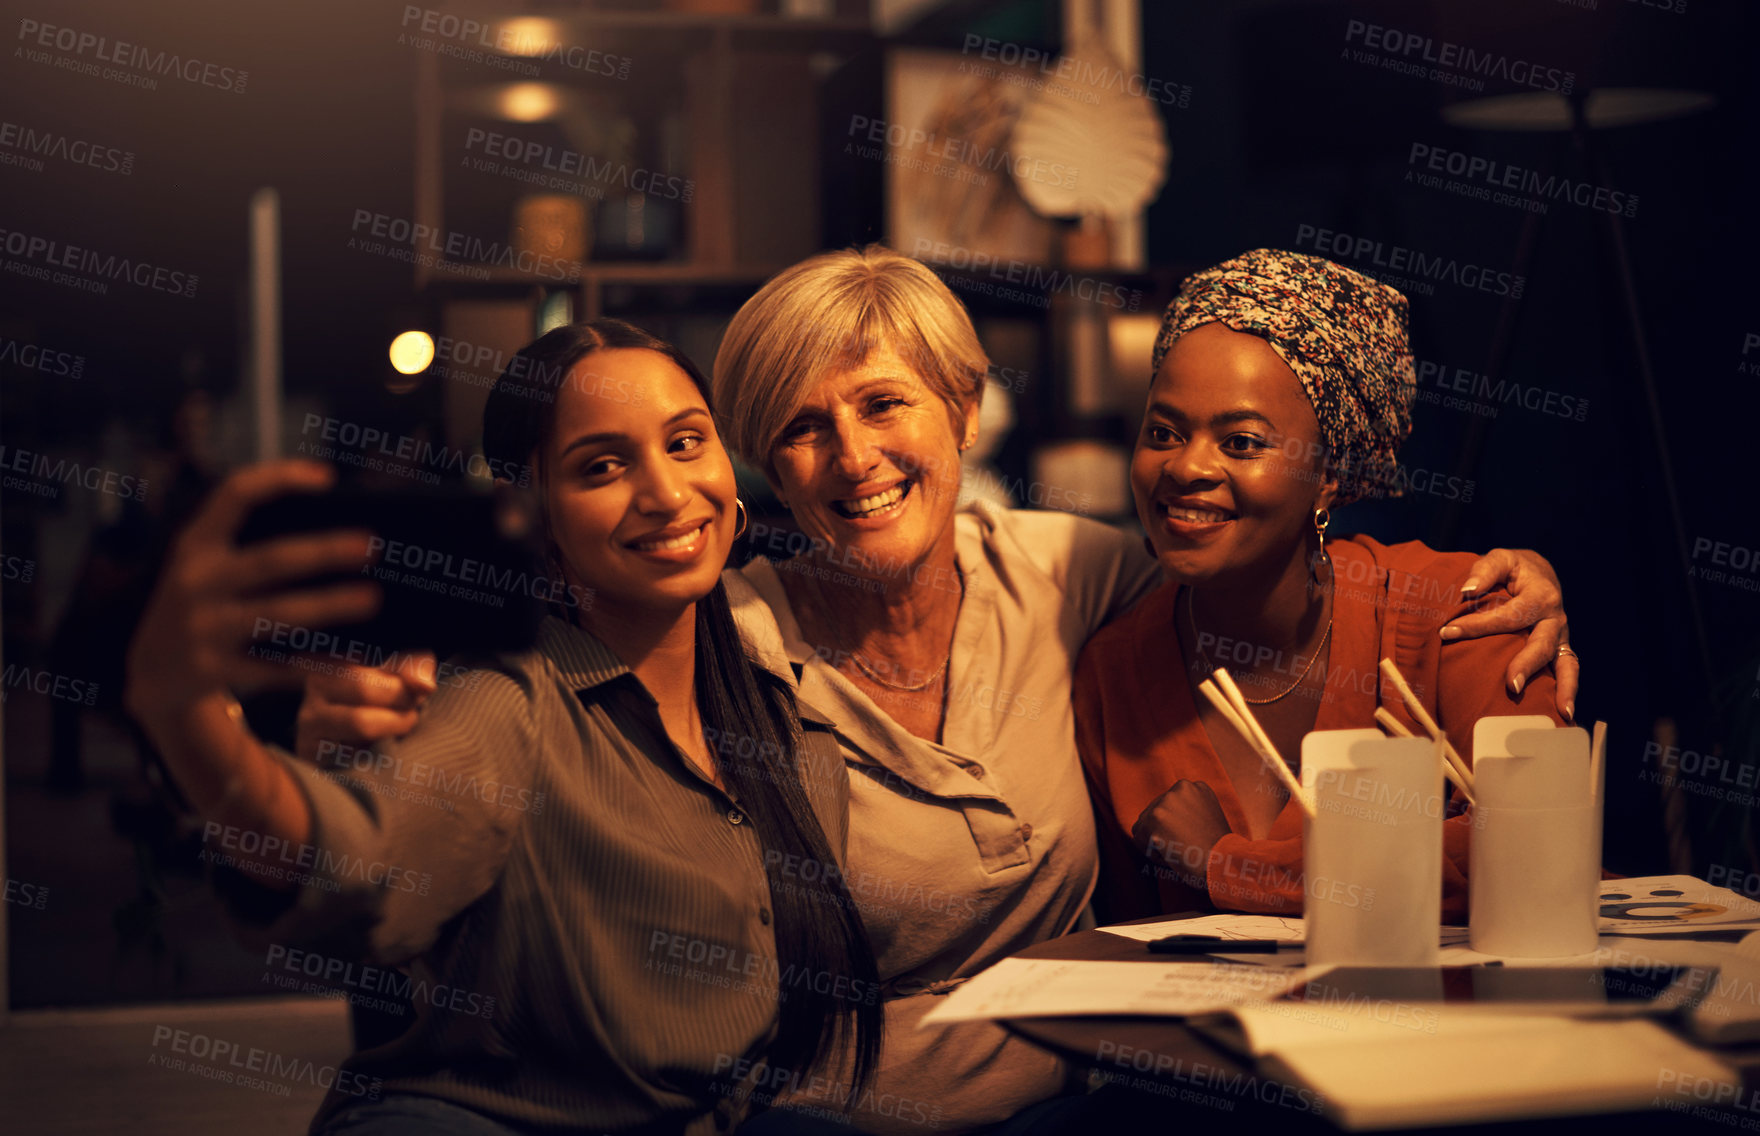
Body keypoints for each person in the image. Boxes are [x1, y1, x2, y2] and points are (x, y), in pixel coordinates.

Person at [318, 247, 1576, 1133]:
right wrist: (387, 709)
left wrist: (1506, 576)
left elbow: (1251, 545)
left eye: (882, 404)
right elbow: (553, 653)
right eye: (800, 427)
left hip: (1086, 1089)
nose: (851, 456)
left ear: (963, 408)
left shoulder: (1075, 574)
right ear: (765, 462)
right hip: (822, 1110)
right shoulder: (726, 634)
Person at [123, 319, 881, 1135]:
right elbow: (352, 861)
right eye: (602, 466)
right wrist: (186, 712)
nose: (665, 492)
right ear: (536, 511)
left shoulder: (777, 705)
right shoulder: (509, 698)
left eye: (687, 442)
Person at [1073, 248, 1568, 923]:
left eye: (1242, 442)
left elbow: (1533, 851)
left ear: (1330, 474)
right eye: (1164, 431)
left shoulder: (1461, 614)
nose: (1187, 466)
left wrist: (1226, 866)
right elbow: (1123, 953)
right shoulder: (1114, 676)